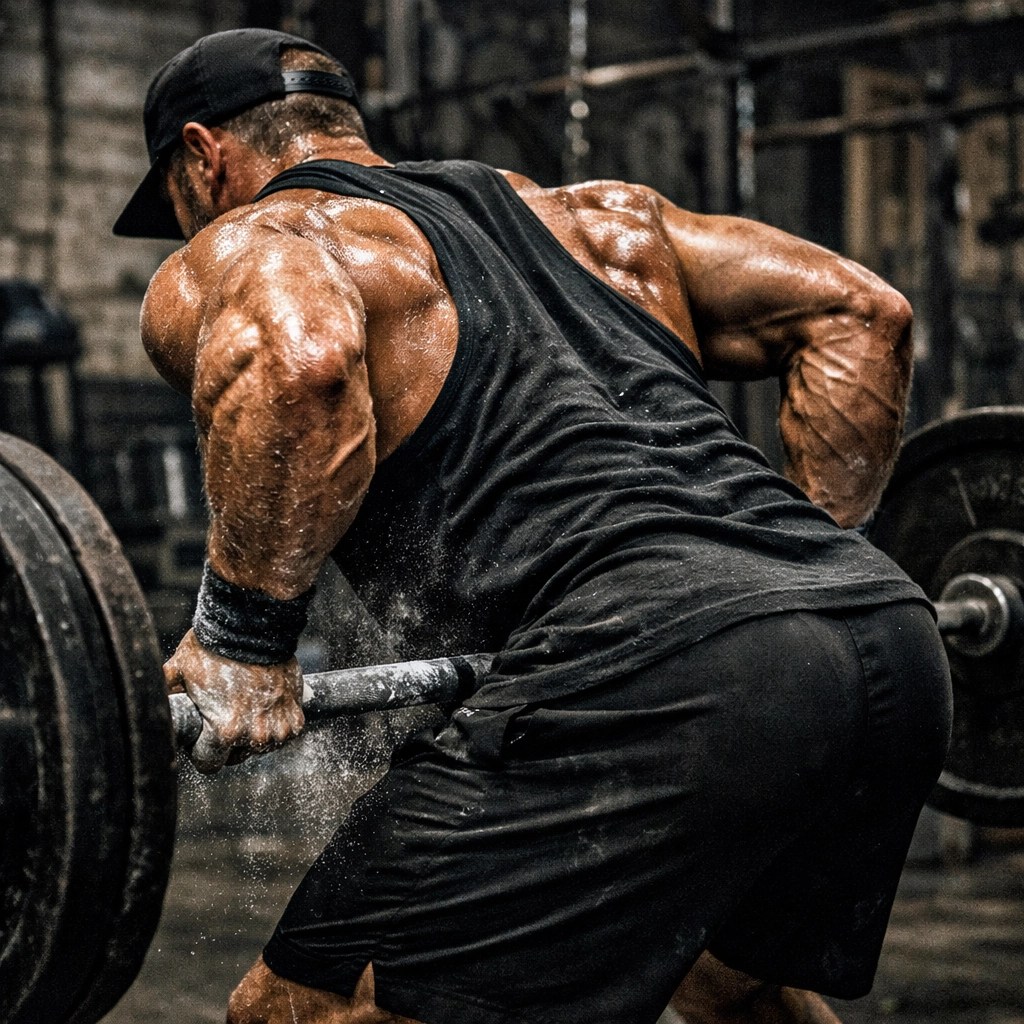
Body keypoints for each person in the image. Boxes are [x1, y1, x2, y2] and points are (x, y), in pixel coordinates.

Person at [114, 27, 952, 1024]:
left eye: (172, 195)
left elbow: (300, 365)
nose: (180, 225)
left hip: (654, 670)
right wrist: (787, 588)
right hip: (889, 645)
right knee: (726, 981)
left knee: (293, 1014)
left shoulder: (266, 238)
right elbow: (864, 314)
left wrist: (241, 639)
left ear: (202, 157)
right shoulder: (595, 220)